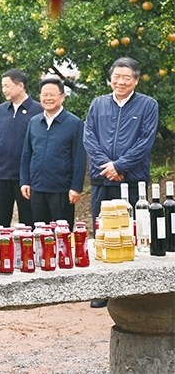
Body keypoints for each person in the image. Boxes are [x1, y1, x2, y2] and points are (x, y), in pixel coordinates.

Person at [83, 57, 158, 308]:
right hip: (102, 179)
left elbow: (145, 141)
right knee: (103, 232)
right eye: (117, 77)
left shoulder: (148, 105)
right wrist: (108, 166)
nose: (121, 82)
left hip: (132, 180)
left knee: (133, 232)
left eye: (127, 77)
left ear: (136, 80)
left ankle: (133, 288)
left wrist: (121, 166)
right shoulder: (98, 104)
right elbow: (89, 137)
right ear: (110, 79)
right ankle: (103, 288)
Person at [19, 78, 86, 228]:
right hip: (37, 187)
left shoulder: (74, 123)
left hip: (61, 189)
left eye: (52, 94)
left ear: (62, 97)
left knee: (61, 233)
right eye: (45, 95)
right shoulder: (34, 122)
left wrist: (76, 187)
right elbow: (26, 154)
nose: (48, 98)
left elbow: (79, 158)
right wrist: (25, 181)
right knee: (39, 232)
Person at [0, 69, 43, 227]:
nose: (4, 90)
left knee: (29, 224)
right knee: (0, 224)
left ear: (20, 86)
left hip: (26, 178)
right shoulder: (0, 111)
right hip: (1, 175)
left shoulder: (38, 110)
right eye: (2, 86)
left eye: (7, 86)